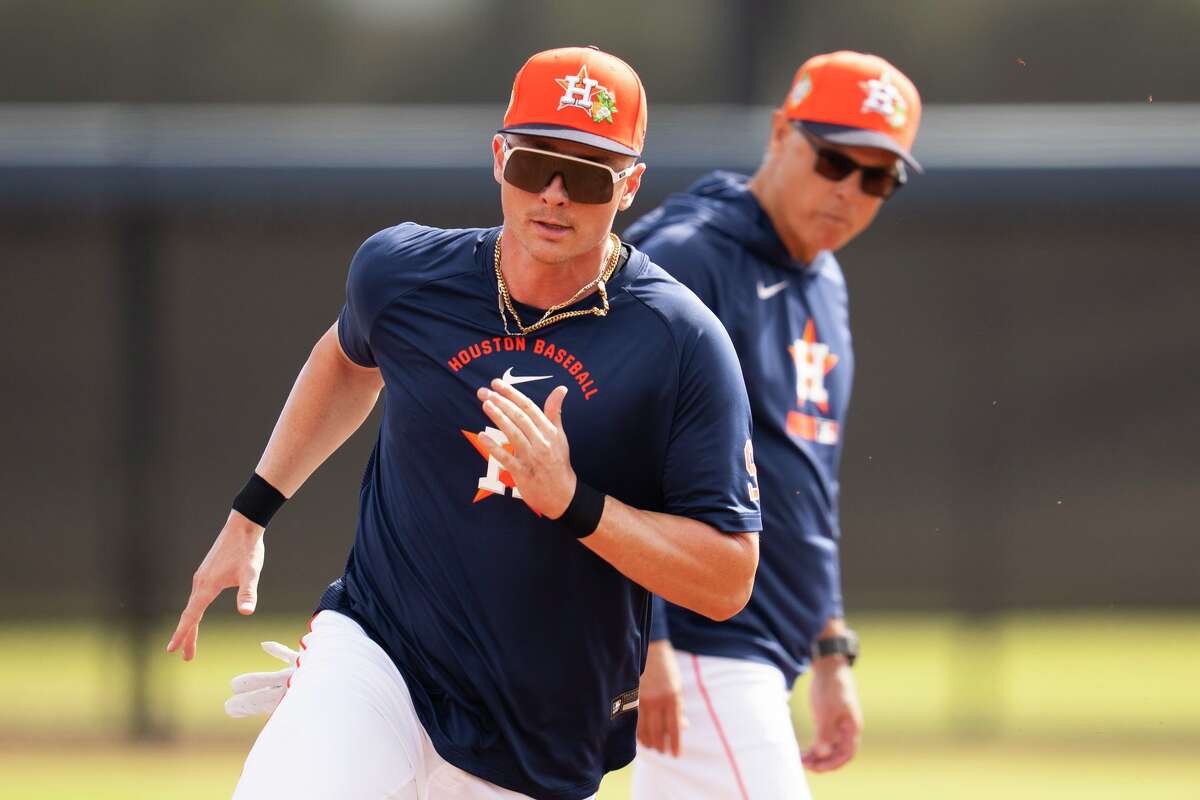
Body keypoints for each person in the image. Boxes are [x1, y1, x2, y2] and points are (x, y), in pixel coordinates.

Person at [165, 45, 762, 800]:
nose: (552, 194)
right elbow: (348, 358)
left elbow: (728, 578)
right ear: (497, 158)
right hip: (381, 654)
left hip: (542, 724)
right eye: (531, 165)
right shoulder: (405, 275)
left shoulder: (682, 341)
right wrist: (251, 515)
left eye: (584, 174)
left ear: (631, 184)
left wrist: (576, 503)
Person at [621, 51, 924, 799]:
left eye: (877, 176)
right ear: (781, 132)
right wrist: (646, 639)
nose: (850, 189)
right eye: (833, 160)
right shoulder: (689, 258)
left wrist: (829, 650)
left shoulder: (823, 276)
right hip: (697, 639)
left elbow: (806, 476)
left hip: (760, 645)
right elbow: (618, 446)